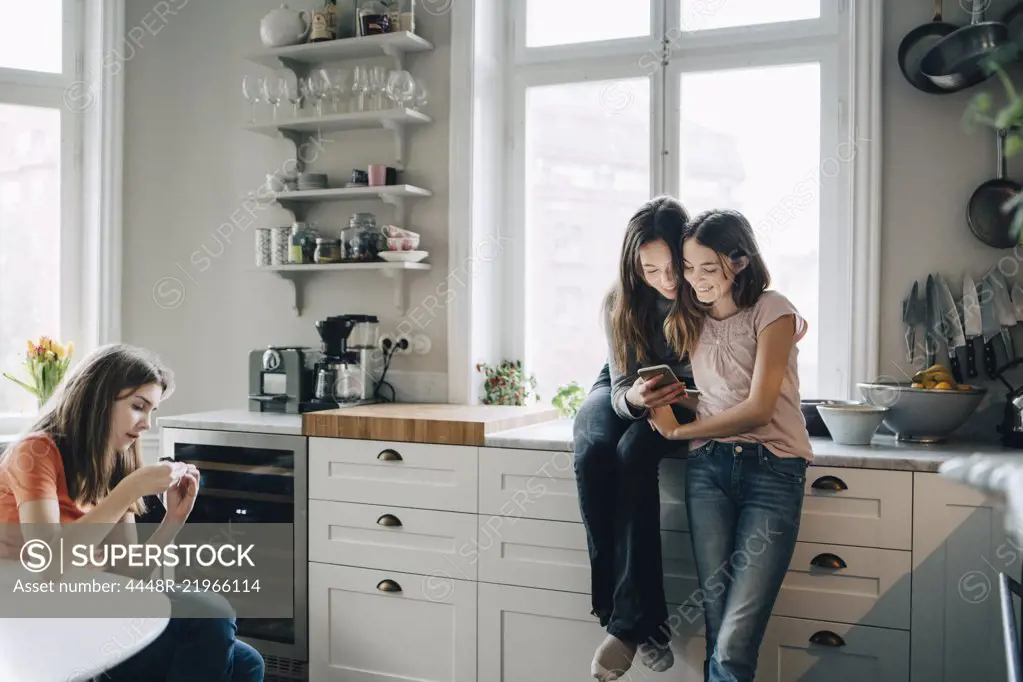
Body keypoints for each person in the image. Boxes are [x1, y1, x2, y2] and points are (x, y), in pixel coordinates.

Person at [0, 343, 265, 682]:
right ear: (96, 398)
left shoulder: (113, 464)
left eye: (151, 411)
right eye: (138, 407)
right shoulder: (36, 452)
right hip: (37, 617)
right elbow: (49, 564)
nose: (146, 425)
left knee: (247, 663)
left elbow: (126, 574)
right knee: (210, 614)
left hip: (90, 604)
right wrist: (129, 490)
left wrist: (173, 521)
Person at [648, 209, 812, 682]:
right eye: (689, 267)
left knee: (737, 634)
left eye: (708, 268)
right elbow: (724, 392)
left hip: (773, 470)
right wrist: (675, 399)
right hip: (709, 472)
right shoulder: (690, 317)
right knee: (718, 619)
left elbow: (760, 406)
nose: (695, 280)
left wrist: (680, 431)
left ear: (739, 261)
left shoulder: (772, 309)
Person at [572, 196, 696, 682]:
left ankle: (626, 624)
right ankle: (632, 621)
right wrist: (639, 400)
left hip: (685, 398)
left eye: (673, 268)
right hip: (624, 386)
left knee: (633, 452)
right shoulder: (618, 302)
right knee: (593, 450)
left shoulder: (702, 291)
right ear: (633, 267)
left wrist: (666, 401)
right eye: (651, 270)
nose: (666, 280)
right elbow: (620, 387)